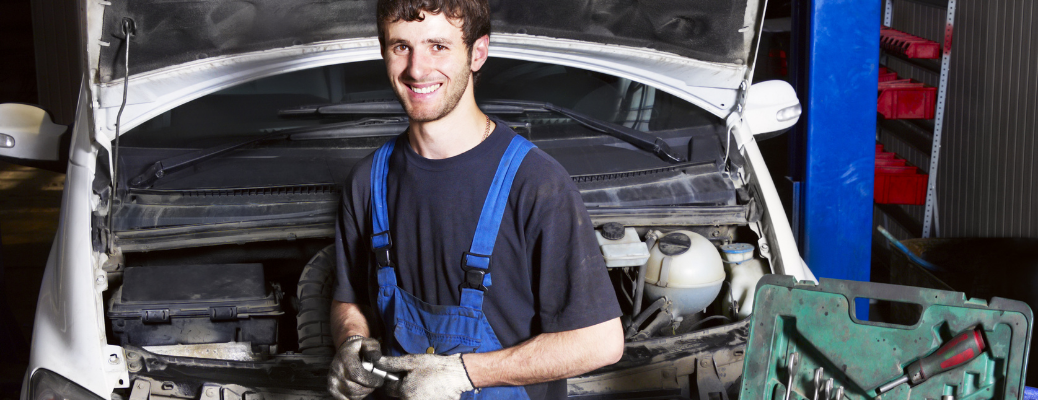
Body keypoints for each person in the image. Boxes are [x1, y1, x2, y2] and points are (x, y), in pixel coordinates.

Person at [327, 0, 624, 399]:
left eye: (438, 46)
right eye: (401, 47)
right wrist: (350, 342)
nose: (417, 69)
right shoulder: (367, 182)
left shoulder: (536, 183)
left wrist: (463, 374)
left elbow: (600, 341)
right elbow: (350, 301)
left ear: (478, 53)